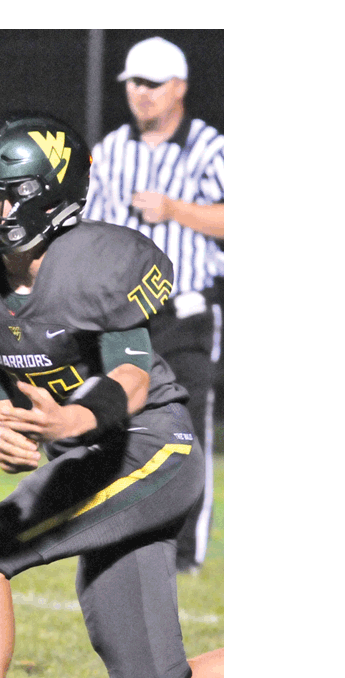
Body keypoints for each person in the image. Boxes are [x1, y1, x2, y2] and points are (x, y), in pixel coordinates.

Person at [0, 111, 224, 678]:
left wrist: (73, 418)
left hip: (151, 450)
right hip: (99, 462)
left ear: (42, 197)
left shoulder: (97, 262)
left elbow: (132, 373)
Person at [82, 35, 225, 574]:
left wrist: (176, 210)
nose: (140, 93)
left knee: (189, 428)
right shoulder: (114, 147)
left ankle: (187, 553)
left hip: (186, 309)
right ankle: (122, 535)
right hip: (127, 315)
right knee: (120, 425)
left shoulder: (209, 147)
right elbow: (91, 221)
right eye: (133, 83)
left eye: (152, 83)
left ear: (180, 88)